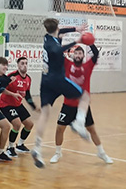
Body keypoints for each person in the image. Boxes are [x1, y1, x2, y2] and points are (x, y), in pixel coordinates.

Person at [32, 18, 89, 169]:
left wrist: (76, 29)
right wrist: (76, 41)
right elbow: (57, 50)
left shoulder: (47, 38)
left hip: (45, 81)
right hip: (57, 80)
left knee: (45, 113)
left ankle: (37, 147)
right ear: (56, 28)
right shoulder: (54, 45)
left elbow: (61, 32)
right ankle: (79, 123)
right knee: (84, 96)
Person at [50, 45, 112, 164]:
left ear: (83, 55)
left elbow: (96, 53)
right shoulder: (68, 64)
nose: (78, 55)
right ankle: (58, 153)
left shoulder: (88, 66)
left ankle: (101, 153)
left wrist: (89, 42)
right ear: (73, 55)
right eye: (76, 53)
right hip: (68, 104)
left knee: (92, 130)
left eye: (80, 53)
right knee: (59, 129)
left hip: (82, 105)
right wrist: (62, 42)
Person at [0, 57, 37, 157]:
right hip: (6, 104)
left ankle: (20, 144)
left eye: (26, 63)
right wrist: (11, 93)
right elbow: (1, 88)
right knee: (17, 124)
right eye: (22, 63)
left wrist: (33, 105)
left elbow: (27, 94)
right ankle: (10, 147)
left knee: (29, 124)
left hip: (18, 104)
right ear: (18, 65)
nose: (24, 65)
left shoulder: (28, 78)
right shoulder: (12, 76)